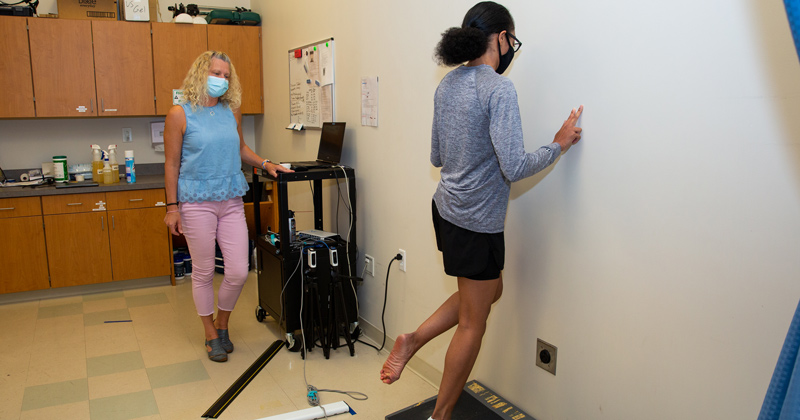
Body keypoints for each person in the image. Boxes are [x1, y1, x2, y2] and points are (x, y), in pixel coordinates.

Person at [379, 2, 583, 419]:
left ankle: (413, 340)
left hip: (447, 210)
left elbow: (436, 156)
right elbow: (515, 166)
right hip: (476, 221)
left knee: (491, 292)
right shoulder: (498, 89)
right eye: (513, 41)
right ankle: (441, 415)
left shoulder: (448, 85)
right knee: (474, 321)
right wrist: (559, 143)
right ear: (502, 38)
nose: (512, 49)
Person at [164, 51, 292, 362]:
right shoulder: (179, 114)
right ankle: (210, 333)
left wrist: (265, 164)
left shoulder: (231, 111)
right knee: (204, 271)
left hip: (231, 198)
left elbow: (241, 148)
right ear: (200, 74)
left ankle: (223, 323)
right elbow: (170, 164)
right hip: (196, 203)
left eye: (225, 75)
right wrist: (172, 207)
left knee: (237, 270)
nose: (221, 79)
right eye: (216, 73)